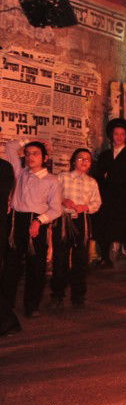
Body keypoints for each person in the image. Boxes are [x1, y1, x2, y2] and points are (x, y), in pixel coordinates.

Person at [0, 139, 62, 333]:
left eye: (35, 153)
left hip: (37, 224)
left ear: (45, 158)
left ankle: (31, 305)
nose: (30, 157)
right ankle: (5, 307)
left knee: (36, 267)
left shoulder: (51, 180)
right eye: (27, 153)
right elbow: (10, 147)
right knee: (11, 267)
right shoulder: (20, 173)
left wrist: (39, 221)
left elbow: (56, 210)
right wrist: (27, 140)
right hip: (16, 223)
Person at [50, 148, 101, 308]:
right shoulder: (62, 177)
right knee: (60, 258)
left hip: (82, 221)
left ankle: (78, 295)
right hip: (64, 221)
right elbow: (52, 196)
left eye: (87, 159)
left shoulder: (92, 182)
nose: (84, 161)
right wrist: (63, 201)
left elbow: (97, 203)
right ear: (73, 161)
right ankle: (57, 295)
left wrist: (85, 207)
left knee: (81, 259)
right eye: (80, 158)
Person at [91, 118, 126, 268]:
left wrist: (109, 175)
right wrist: (107, 176)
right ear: (111, 136)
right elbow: (99, 174)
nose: (118, 137)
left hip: (121, 196)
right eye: (116, 134)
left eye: (122, 134)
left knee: (124, 225)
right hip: (105, 195)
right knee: (104, 225)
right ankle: (105, 258)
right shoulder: (105, 154)